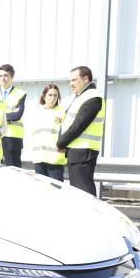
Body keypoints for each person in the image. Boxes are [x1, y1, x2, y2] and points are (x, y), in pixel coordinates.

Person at [57, 66, 105, 196]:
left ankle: (92, 216)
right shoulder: (79, 97)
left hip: (84, 152)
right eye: (70, 81)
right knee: (78, 193)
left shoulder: (93, 97)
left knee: (85, 192)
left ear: (85, 79)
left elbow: (78, 126)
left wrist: (61, 142)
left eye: (74, 80)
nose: (71, 84)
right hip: (76, 151)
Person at [24, 84, 66, 180]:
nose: (52, 98)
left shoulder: (62, 112)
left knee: (56, 189)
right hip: (39, 157)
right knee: (42, 189)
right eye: (50, 95)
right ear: (44, 96)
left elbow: (67, 132)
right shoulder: (36, 112)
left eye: (55, 95)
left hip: (55, 158)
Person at [0, 64, 27, 167]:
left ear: (12, 77)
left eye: (6, 75)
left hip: (12, 137)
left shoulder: (20, 93)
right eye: (0, 76)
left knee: (13, 169)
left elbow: (17, 115)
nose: (3, 78)